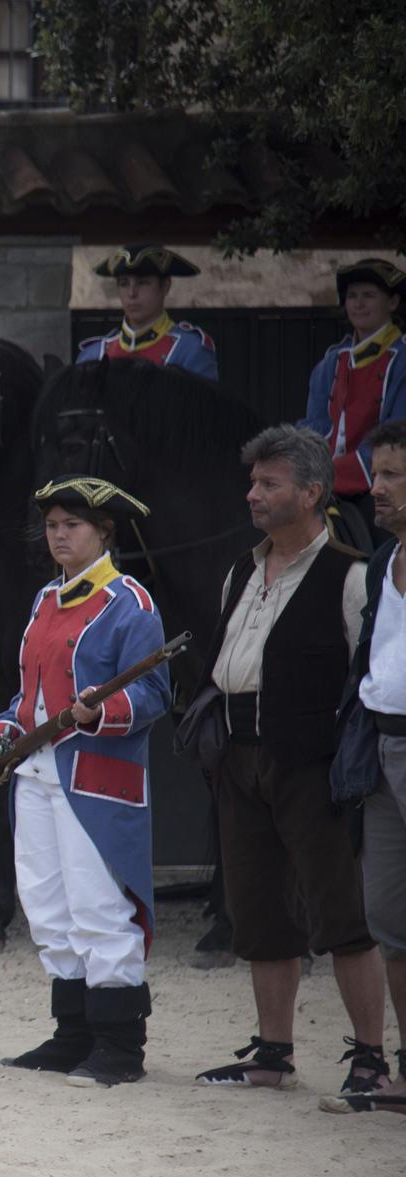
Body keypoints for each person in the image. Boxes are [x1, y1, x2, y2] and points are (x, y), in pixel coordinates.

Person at [194, 426, 390, 1098]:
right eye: (253, 481)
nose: (253, 493)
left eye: (269, 483)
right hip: (239, 758)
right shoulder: (239, 570)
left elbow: (367, 673)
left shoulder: (351, 575)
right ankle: (273, 1053)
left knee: (343, 913)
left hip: (311, 764)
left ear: (310, 492)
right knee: (257, 912)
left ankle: (370, 1055)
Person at [0, 478, 171, 1087]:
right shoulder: (43, 601)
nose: (60, 535)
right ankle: (74, 1033)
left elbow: (155, 693)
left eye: (74, 525)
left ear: (104, 532)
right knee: (47, 905)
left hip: (95, 778)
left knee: (98, 905)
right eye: (54, 525)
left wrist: (100, 711)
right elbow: (27, 697)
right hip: (34, 773)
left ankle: (119, 1045)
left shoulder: (129, 603)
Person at [323, 419, 406, 1116]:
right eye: (374, 473)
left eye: (391, 476)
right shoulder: (382, 561)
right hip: (381, 746)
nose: (374, 488)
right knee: (390, 918)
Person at [299, 257, 406, 538]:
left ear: (392, 303)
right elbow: (315, 427)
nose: (358, 304)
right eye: (352, 296)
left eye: (369, 296)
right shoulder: (330, 363)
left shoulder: (403, 360)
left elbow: (398, 437)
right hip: (326, 480)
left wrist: (331, 475)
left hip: (383, 482)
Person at [76, 243, 217, 381]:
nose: (132, 293)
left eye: (143, 282)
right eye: (124, 284)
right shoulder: (93, 355)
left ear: (166, 286)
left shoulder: (190, 350)